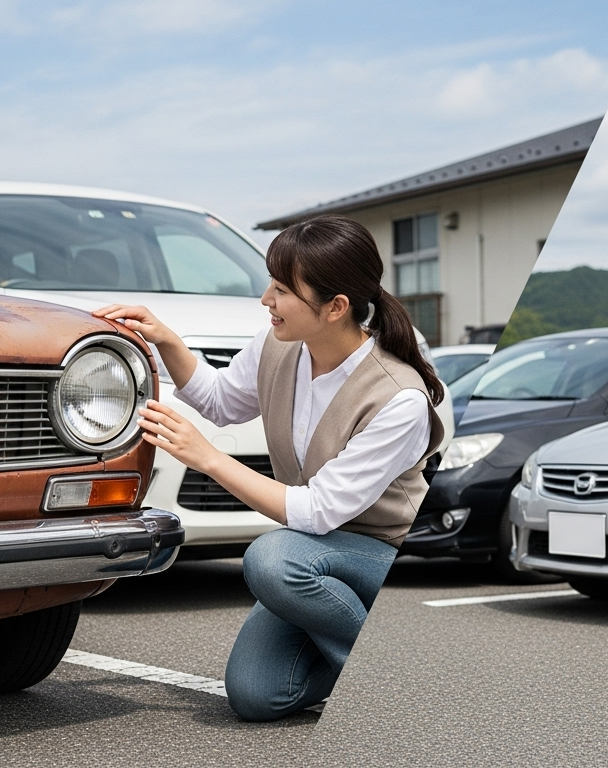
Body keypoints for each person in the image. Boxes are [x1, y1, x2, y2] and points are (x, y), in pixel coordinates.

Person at [94, 214, 444, 721]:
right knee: (258, 696)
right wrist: (167, 340)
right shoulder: (279, 346)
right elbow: (218, 401)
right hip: (316, 557)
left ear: (335, 307)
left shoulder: (398, 397)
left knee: (272, 559)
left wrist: (210, 458)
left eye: (282, 289)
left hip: (376, 555)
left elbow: (316, 512)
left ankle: (393, 682)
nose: (265, 300)